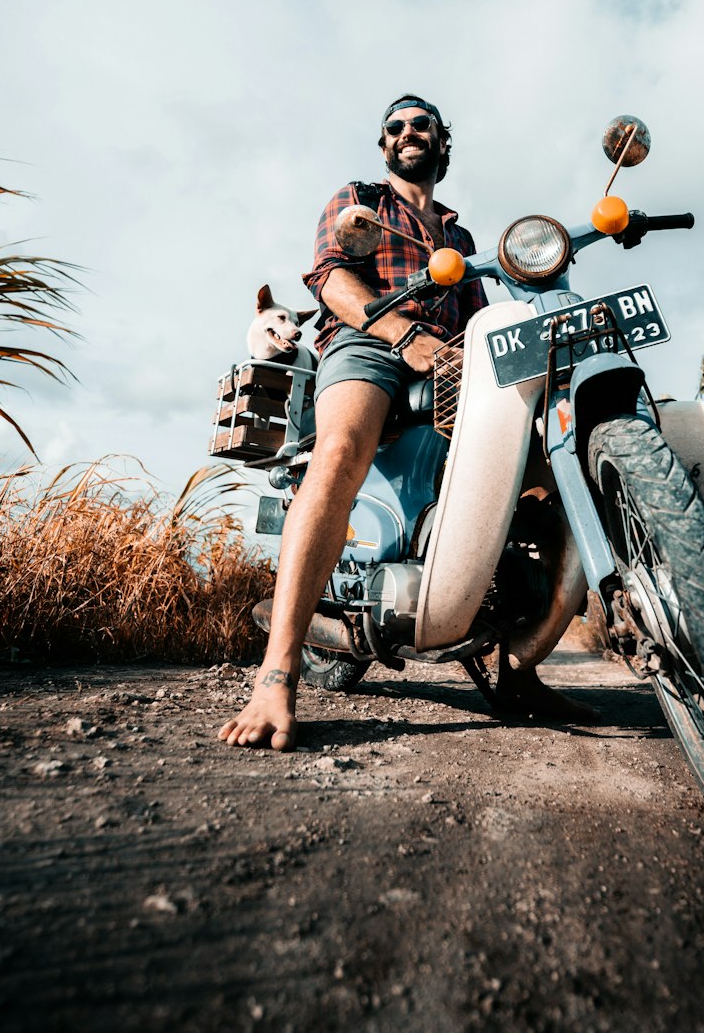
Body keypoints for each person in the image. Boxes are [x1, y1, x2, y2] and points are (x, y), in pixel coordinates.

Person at [219, 94, 599, 753]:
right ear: (384, 144)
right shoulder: (361, 198)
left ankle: (516, 666)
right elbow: (331, 280)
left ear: (442, 144)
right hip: (369, 343)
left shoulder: (460, 236)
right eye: (394, 127)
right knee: (338, 452)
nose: (407, 133)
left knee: (550, 471)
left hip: (454, 360)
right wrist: (403, 335)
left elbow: (483, 307)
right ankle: (276, 675)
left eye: (421, 124)